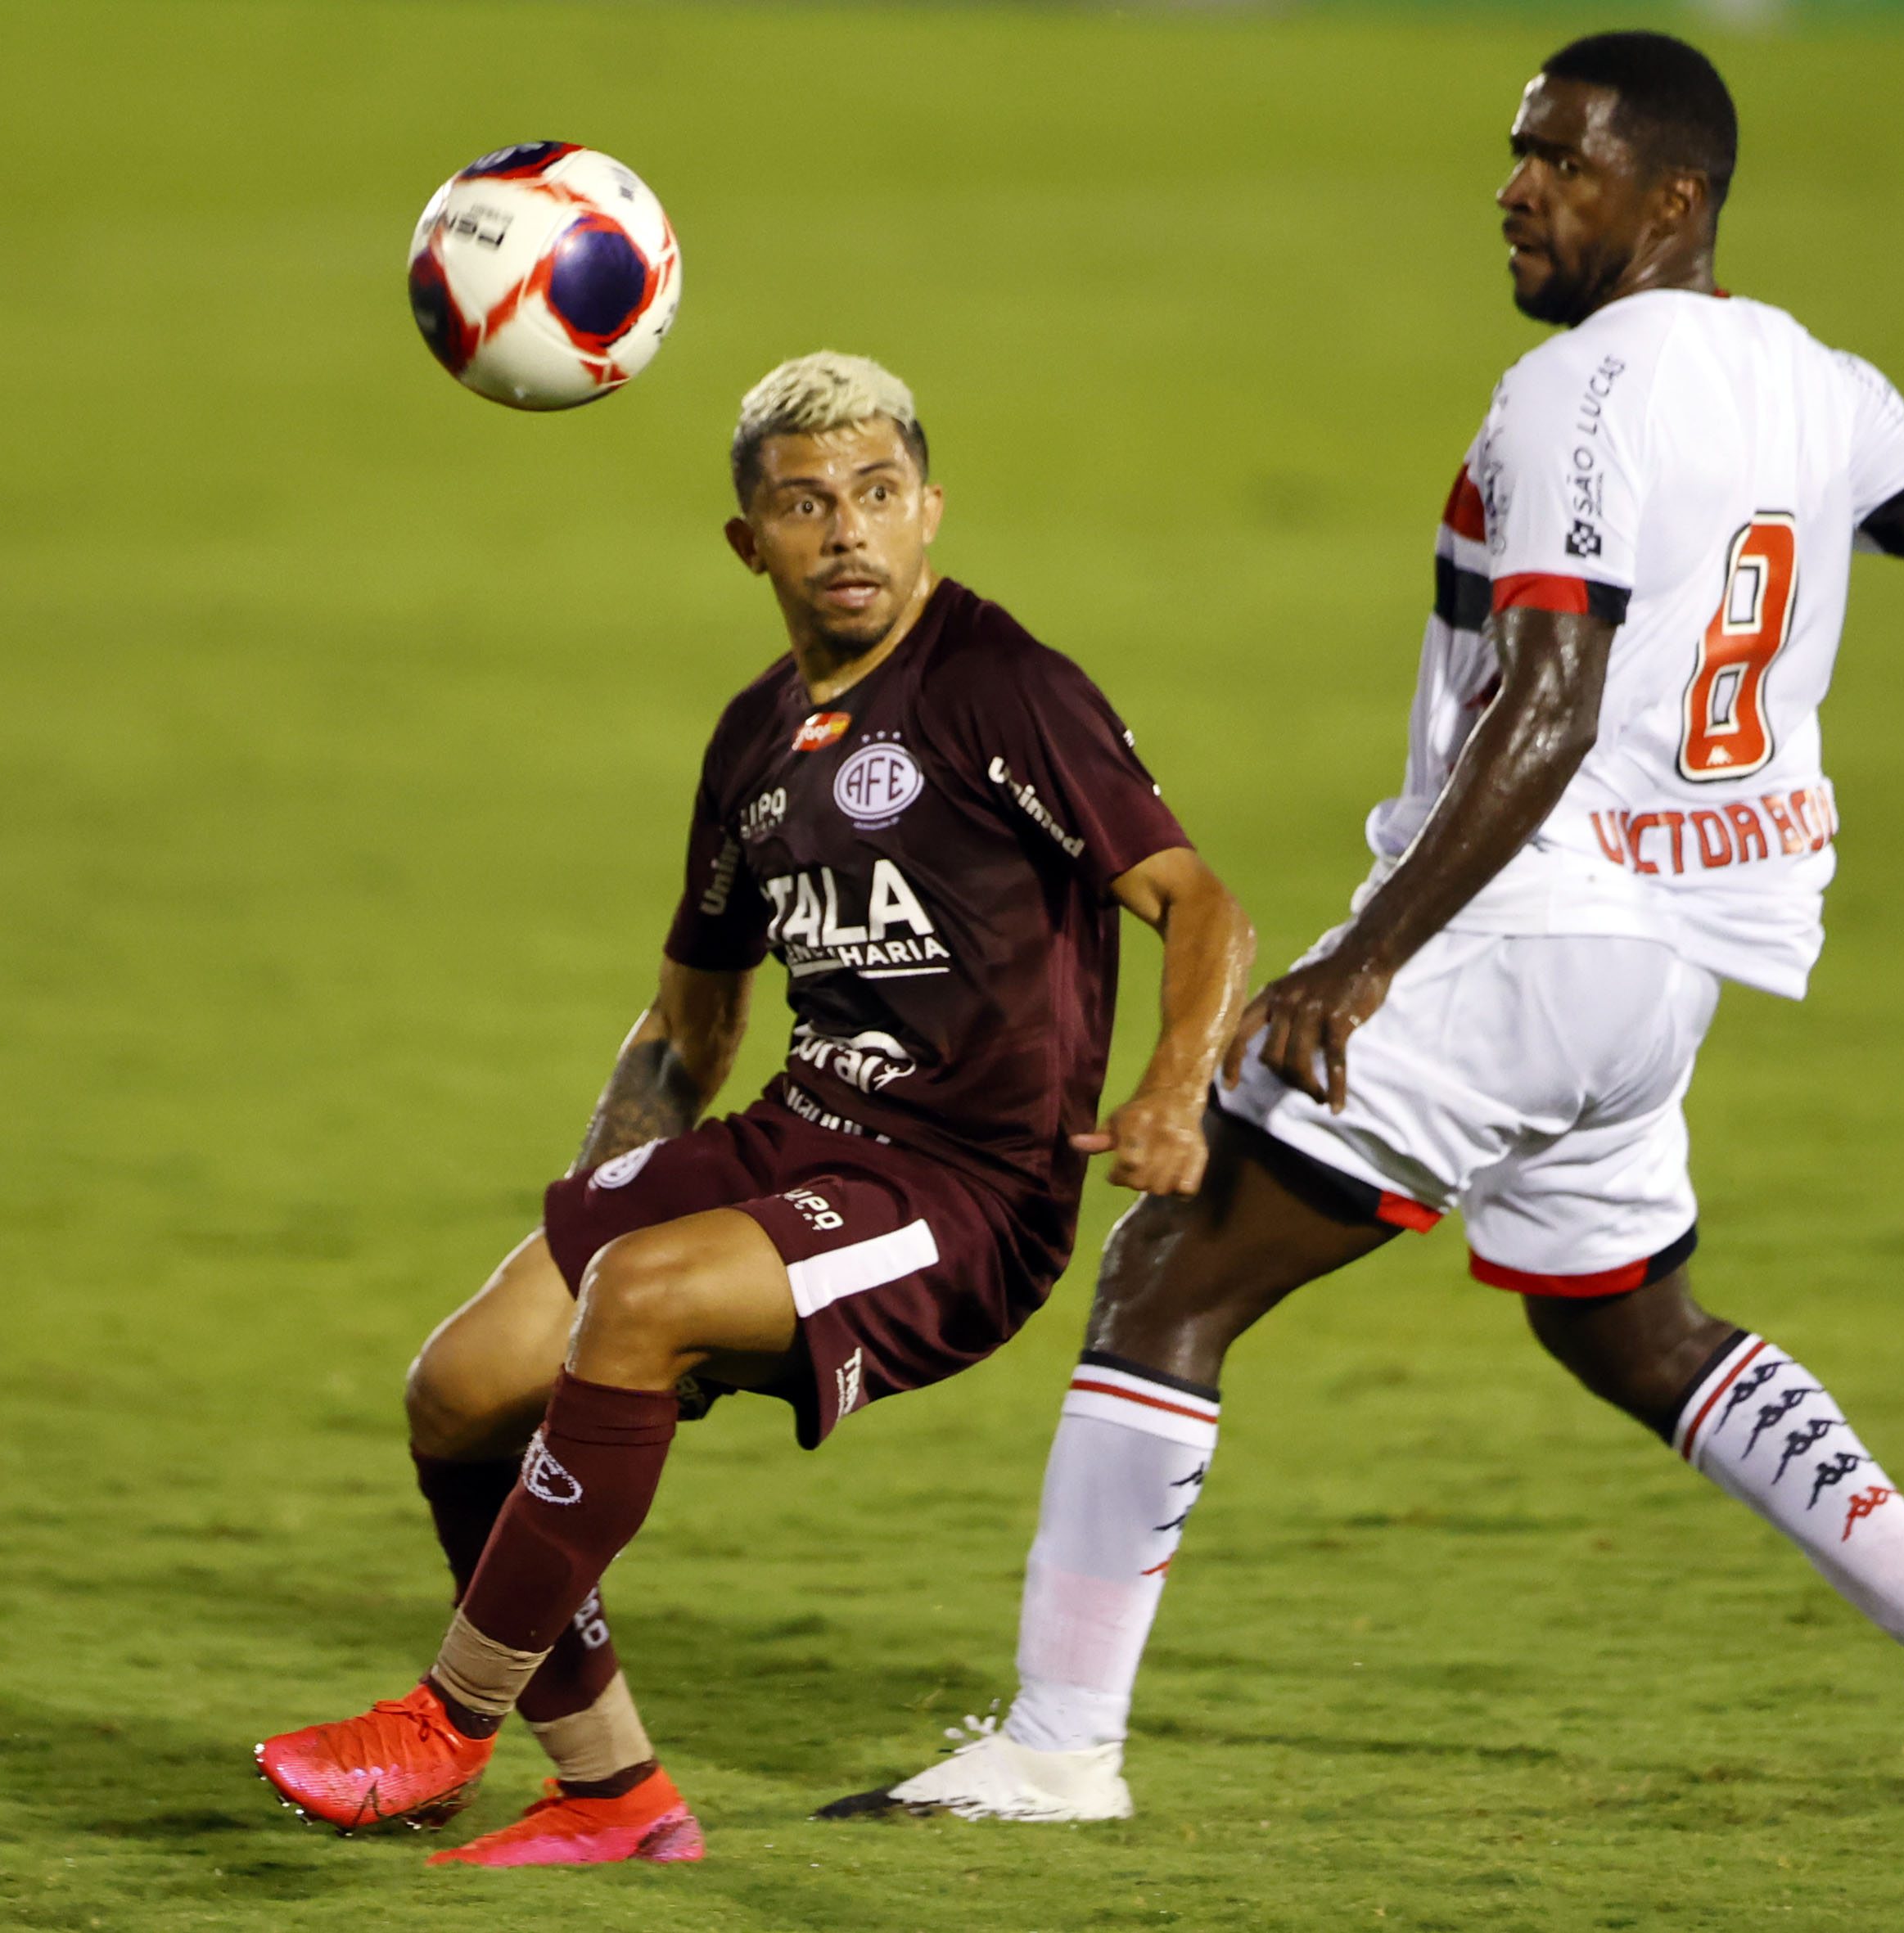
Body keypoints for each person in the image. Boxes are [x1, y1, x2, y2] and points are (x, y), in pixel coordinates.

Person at [823, 31, 1904, 1825]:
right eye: (1514, 153)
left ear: (1672, 198)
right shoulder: (1812, 378)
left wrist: (1368, 956)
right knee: (1620, 1320)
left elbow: (1547, 700)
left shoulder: (1577, 392)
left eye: (1561, 162)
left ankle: (1056, 1743)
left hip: (1520, 932)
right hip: (1655, 969)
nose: (1516, 187)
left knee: (1164, 1276)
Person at [253, 352, 1254, 1866]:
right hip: (800, 1138)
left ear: (928, 512)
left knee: (643, 1301)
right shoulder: (752, 742)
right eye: (805, 503)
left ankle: (447, 1725)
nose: (847, 530)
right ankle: (611, 1793)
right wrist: (579, 1209)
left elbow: (1198, 899)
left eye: (875, 495)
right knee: (459, 1388)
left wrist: (1176, 1085)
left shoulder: (1003, 690)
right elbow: (693, 1016)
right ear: (751, 542)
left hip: (962, 1197)